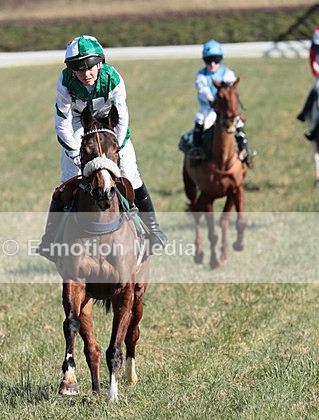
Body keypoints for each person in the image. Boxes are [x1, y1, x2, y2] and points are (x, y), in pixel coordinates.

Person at [37, 35, 167, 259]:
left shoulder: (113, 79)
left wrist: (115, 150)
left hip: (110, 123)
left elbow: (123, 119)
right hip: (79, 122)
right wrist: (72, 152)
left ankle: (153, 231)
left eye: (89, 66)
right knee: (68, 179)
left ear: (100, 63)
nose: (85, 73)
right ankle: (50, 239)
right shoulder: (65, 81)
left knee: (129, 174)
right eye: (78, 68)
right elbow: (62, 123)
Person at [184, 40, 255, 166]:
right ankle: (197, 149)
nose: (212, 64)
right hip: (208, 108)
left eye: (216, 60)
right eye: (208, 60)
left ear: (220, 60)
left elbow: (230, 89)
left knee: (237, 123)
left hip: (225, 109)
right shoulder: (201, 75)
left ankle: (245, 149)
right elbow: (203, 90)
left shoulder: (228, 73)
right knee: (200, 120)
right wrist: (211, 100)